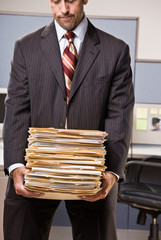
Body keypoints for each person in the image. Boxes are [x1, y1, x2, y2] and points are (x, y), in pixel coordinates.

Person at [3, 0, 134, 239]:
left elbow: (119, 114)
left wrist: (112, 172)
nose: (64, 9)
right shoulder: (26, 47)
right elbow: (17, 108)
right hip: (34, 168)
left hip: (93, 173)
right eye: (56, 1)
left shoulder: (116, 50)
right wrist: (14, 165)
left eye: (71, 0)